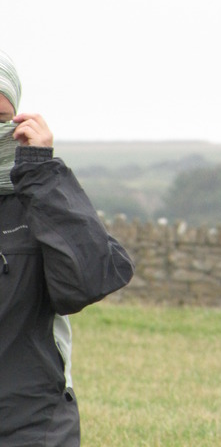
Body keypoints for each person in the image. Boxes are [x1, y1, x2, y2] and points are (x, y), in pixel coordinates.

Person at [0, 51, 134, 446]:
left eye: (1, 119)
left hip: (31, 419)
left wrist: (40, 169)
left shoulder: (37, 193)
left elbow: (90, 279)